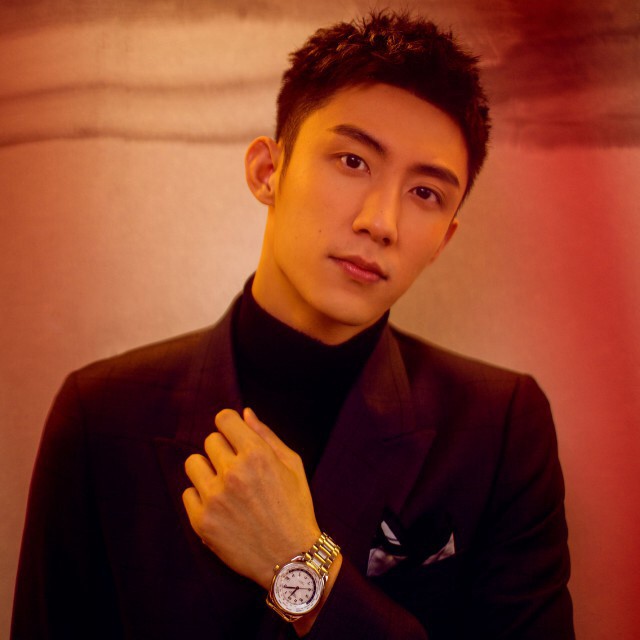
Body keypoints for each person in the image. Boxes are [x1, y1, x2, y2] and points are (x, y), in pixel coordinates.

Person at [12, 11, 574, 639]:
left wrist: (301, 566)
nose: (380, 221)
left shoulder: (499, 426)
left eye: (425, 194)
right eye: (353, 161)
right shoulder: (100, 414)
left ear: (443, 239)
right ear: (267, 171)